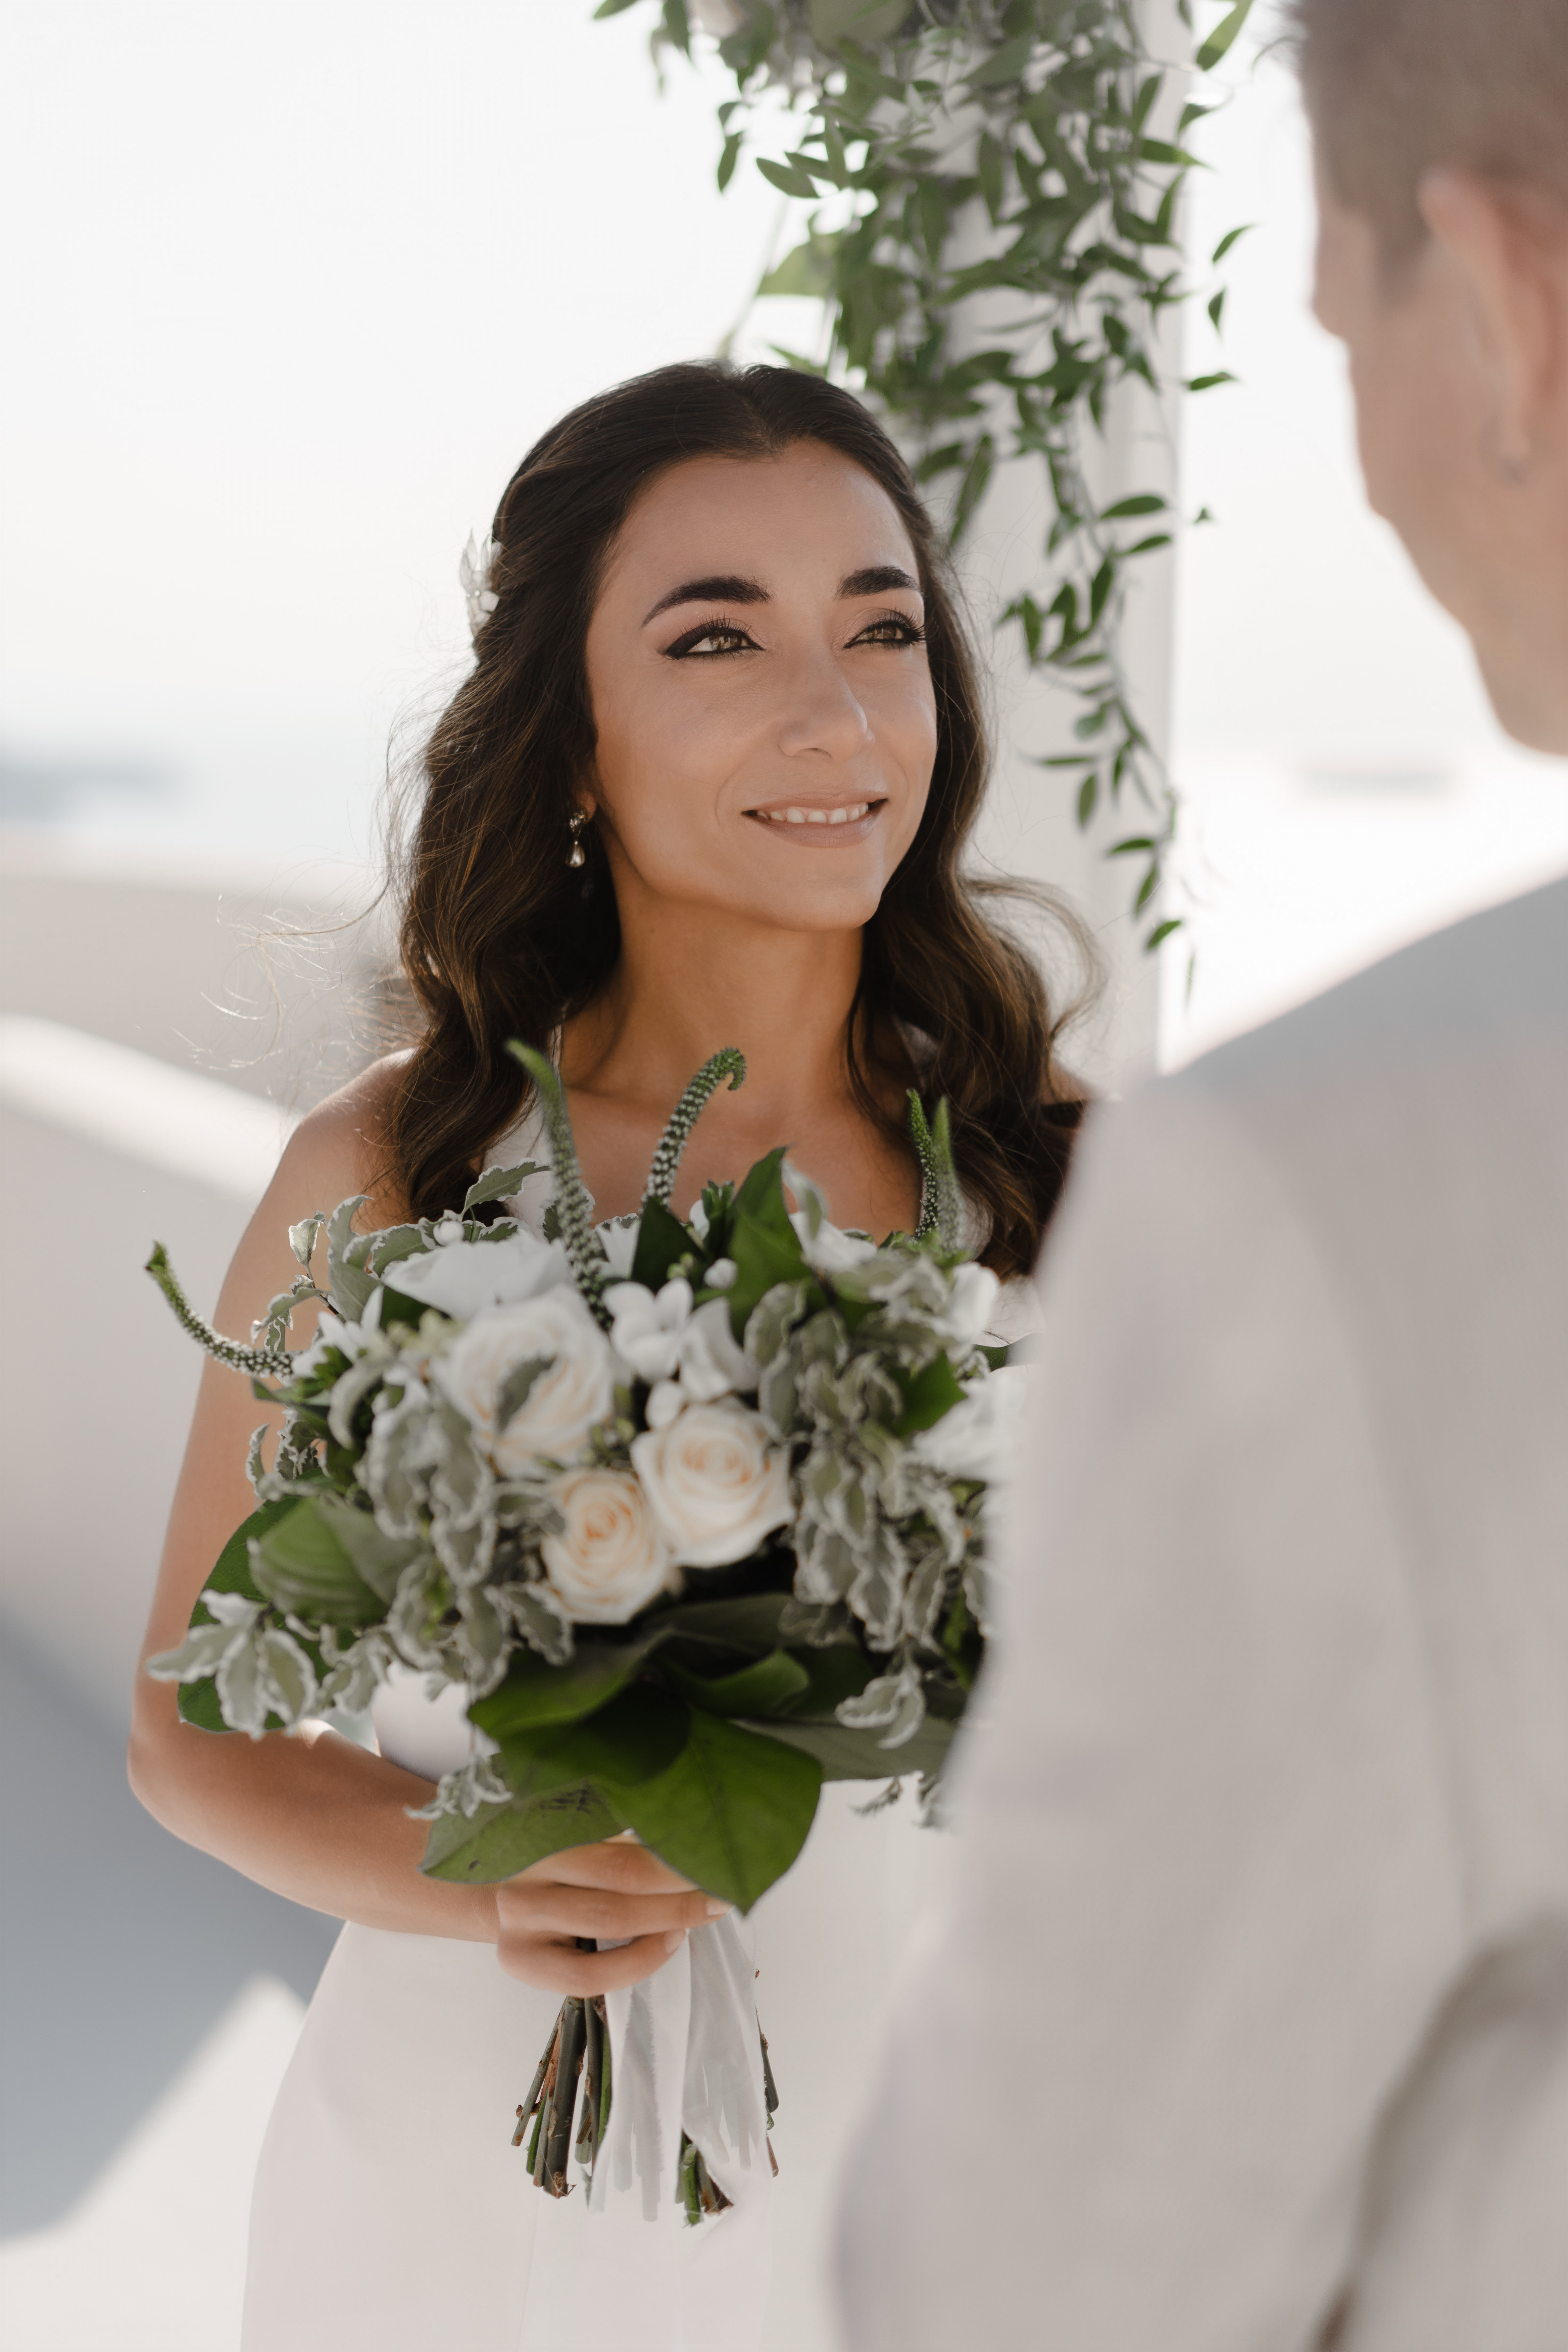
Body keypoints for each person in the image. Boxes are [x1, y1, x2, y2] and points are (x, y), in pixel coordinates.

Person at [128, 361, 1091, 2351]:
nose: (833, 714)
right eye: (717, 634)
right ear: (572, 742)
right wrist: (492, 1873)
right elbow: (194, 1731)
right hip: (453, 2174)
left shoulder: (1061, 1186)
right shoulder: (393, 1174)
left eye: (883, 630)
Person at [834, 1, 1568, 2345]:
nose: (1357, 462)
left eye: (1345, 323)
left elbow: (1045, 2290)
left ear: (1509, 298)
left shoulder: (1328, 1194)